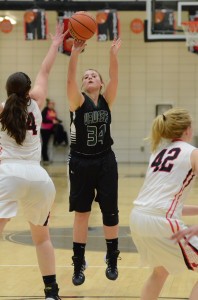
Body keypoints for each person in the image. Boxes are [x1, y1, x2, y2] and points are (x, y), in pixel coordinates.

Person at [0, 24, 67, 300]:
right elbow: (45, 71)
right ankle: (52, 293)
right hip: (40, 179)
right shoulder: (38, 102)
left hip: (8, 174)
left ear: (7, 90)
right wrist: (55, 44)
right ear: (29, 90)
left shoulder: (2, 110)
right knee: (42, 238)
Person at [66, 38, 121, 286]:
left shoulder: (106, 100)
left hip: (105, 160)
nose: (88, 78)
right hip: (81, 162)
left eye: (93, 76)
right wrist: (74, 54)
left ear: (100, 82)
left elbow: (115, 77)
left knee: (110, 212)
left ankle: (112, 257)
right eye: (85, 76)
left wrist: (113, 54)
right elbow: (70, 80)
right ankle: (78, 264)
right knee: (82, 214)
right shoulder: (77, 101)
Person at [129, 107, 198, 300]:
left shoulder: (158, 153)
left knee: (160, 271)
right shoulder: (192, 153)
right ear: (187, 130)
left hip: (138, 218)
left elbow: (163, 203)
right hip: (161, 221)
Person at [41, 99, 60, 165]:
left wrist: (58, 121)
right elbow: (43, 120)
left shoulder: (53, 111)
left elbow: (55, 118)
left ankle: (49, 158)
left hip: (51, 129)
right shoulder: (45, 110)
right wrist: (52, 121)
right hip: (45, 129)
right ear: (48, 104)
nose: (53, 105)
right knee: (45, 144)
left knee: (50, 144)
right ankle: (45, 159)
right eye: (51, 104)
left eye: (53, 104)